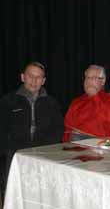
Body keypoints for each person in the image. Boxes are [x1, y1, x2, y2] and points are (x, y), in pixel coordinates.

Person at [0, 62, 63, 198]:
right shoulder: (7, 101)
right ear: (23, 77)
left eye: (39, 77)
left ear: (43, 81)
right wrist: (13, 151)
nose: (34, 80)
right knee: (14, 196)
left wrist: (42, 151)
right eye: (30, 76)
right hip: (15, 157)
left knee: (41, 196)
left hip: (43, 157)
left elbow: (57, 130)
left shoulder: (52, 103)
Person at [63, 65, 110, 141]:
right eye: (87, 78)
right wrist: (69, 140)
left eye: (93, 78)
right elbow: (67, 128)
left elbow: (109, 117)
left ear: (103, 81)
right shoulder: (77, 102)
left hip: (103, 145)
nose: (89, 81)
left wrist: (95, 96)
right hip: (78, 145)